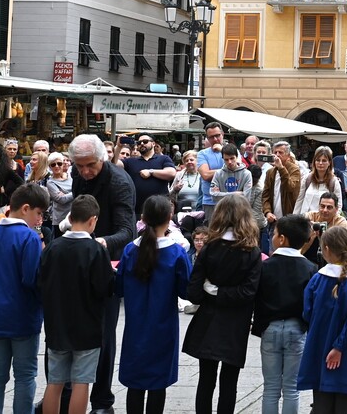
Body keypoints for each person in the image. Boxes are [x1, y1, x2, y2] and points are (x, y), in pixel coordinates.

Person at [68, 133, 137, 414]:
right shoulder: (78, 175)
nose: (85, 171)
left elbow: (128, 231)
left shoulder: (120, 182)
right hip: (79, 259)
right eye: (80, 166)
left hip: (107, 264)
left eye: (90, 166)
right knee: (73, 331)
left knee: (104, 334)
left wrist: (102, 242)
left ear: (104, 157)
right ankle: (67, 392)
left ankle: (101, 400)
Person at [183, 194, 263, 414]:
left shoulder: (209, 248)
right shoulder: (252, 252)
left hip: (208, 321)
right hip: (236, 324)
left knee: (205, 381)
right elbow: (249, 292)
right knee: (230, 383)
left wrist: (214, 290)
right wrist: (225, 293)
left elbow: (194, 292)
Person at [114, 194, 191, 414]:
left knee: (135, 383)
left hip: (136, 327)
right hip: (163, 327)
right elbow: (186, 289)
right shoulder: (176, 252)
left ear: (144, 218)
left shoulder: (130, 250)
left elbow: (118, 288)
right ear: (170, 216)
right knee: (158, 384)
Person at [39, 194, 114, 414]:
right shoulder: (96, 250)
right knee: (81, 382)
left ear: (70, 218)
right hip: (87, 326)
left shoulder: (53, 248)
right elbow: (104, 288)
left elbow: (40, 282)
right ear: (93, 220)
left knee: (55, 382)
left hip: (57, 324)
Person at [0, 183, 49, 414]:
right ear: (26, 208)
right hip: (22, 315)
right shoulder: (29, 237)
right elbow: (31, 279)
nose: (39, 219)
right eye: (39, 213)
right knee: (25, 374)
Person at [295, 226, 347, 413]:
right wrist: (339, 346)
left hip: (320, 346)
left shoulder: (317, 280)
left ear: (325, 248)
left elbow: (307, 313)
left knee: (322, 403)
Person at [253, 214, 317, 414]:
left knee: (271, 388)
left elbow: (258, 298)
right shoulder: (310, 268)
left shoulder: (266, 266)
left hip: (270, 328)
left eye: (275, 233)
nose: (272, 236)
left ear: (282, 239)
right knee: (291, 388)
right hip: (296, 329)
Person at [124, 134, 177, 215]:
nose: (142, 143)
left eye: (145, 141)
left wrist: (151, 172)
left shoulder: (163, 158)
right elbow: (115, 164)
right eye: (139, 142)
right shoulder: (131, 161)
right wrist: (118, 146)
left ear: (153, 143)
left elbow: (171, 173)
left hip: (160, 208)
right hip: (137, 209)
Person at [262, 141, 302, 246]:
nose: (277, 155)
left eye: (281, 152)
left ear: (288, 156)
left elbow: (290, 187)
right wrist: (267, 212)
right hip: (274, 221)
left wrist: (281, 168)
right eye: (275, 152)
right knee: (273, 252)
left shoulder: (295, 170)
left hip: (289, 220)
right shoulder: (270, 172)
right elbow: (265, 195)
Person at [296, 147, 343, 219]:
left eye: (324, 161)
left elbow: (338, 206)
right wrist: (294, 219)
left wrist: (333, 221)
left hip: (323, 222)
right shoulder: (307, 179)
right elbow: (299, 200)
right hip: (304, 221)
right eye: (318, 160)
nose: (320, 163)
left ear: (329, 163)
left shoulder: (333, 182)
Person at [196, 122, 227, 221]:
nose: (215, 139)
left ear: (222, 134)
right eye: (211, 137)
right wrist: (228, 169)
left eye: (217, 135)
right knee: (211, 233)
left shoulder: (233, 151)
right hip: (210, 201)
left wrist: (223, 151)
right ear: (207, 138)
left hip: (230, 201)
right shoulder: (202, 154)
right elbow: (205, 175)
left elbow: (239, 170)